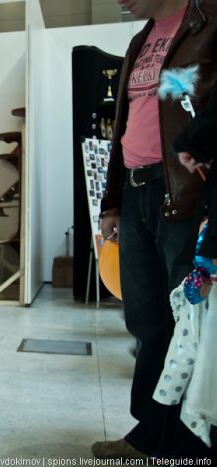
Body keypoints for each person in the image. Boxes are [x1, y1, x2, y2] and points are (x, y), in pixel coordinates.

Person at [97, 0, 217, 460]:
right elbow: (125, 126)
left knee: (191, 322)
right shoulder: (140, 39)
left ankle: (188, 443)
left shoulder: (208, 22)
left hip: (186, 192)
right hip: (135, 190)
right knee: (146, 319)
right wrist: (113, 200)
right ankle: (149, 433)